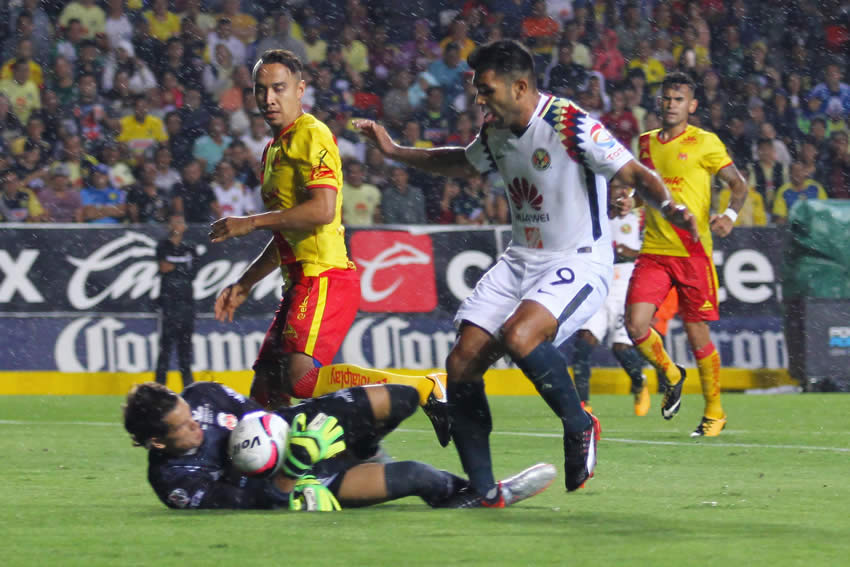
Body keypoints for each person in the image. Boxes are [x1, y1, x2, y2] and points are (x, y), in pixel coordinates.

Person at [355, 40, 697, 504]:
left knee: (520, 337)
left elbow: (633, 173)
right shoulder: (496, 129)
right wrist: (396, 151)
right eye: (477, 90)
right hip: (521, 260)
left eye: (486, 89)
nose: (479, 99)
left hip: (577, 260)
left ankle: (580, 424)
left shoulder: (569, 122)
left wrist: (671, 207)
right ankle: (483, 491)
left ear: (520, 86)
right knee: (461, 364)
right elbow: (461, 161)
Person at [208, 49, 449, 443]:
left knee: (301, 381)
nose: (268, 98)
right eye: (260, 89)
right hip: (299, 281)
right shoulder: (273, 151)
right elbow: (289, 231)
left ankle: (426, 386)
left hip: (324, 276)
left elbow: (321, 210)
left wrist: (248, 222)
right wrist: (246, 282)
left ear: (300, 90)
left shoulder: (312, 134)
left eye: (279, 88)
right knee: (267, 391)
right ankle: (282, 475)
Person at [123, 380, 557, 510]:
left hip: (301, 429)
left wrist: (297, 435)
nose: (196, 423)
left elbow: (264, 419)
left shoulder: (203, 395)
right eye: (183, 427)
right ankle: (480, 496)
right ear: (157, 442)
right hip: (299, 481)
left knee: (404, 398)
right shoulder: (175, 481)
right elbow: (255, 503)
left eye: (188, 412)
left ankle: (364, 448)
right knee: (417, 476)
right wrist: (296, 463)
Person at [625, 72, 749, 438]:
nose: (670, 104)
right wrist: (627, 200)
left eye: (678, 99)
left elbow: (738, 185)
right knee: (635, 326)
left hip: (693, 253)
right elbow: (641, 190)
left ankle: (715, 411)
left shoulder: (705, 142)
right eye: (666, 98)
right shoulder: (645, 144)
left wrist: (728, 215)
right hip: (654, 250)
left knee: (698, 336)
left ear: (692, 106)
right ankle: (671, 372)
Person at [571, 178, 651, 417]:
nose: (614, 192)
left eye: (618, 188)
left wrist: (631, 253)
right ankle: (583, 406)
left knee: (620, 348)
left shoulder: (639, 216)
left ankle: (639, 382)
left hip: (625, 286)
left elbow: (653, 249)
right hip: (599, 283)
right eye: (610, 187)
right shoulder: (595, 215)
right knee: (583, 344)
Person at [155, 215, 199, 388]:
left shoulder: (190, 248)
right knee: (165, 348)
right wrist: (183, 270)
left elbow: (194, 273)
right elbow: (163, 268)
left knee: (185, 349)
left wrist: (175, 269)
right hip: (168, 302)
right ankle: (159, 386)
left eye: (181, 222)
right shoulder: (162, 246)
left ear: (185, 226)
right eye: (174, 222)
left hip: (186, 303)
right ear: (169, 225)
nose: (177, 225)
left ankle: (188, 387)